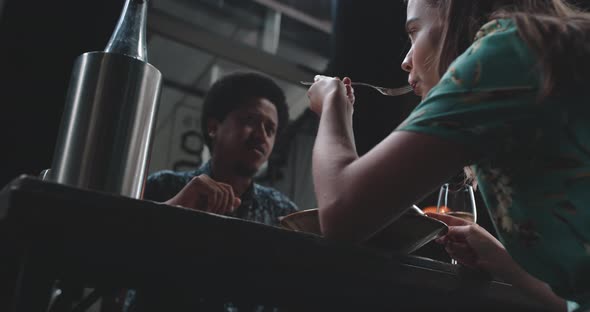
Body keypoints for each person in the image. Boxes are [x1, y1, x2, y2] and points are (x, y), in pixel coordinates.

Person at [307, 0, 590, 311]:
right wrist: (501, 260)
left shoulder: (505, 53)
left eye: (414, 31)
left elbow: (341, 212)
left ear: (456, 12)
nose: (406, 60)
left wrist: (333, 104)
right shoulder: (539, 56)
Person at [126, 71, 298, 312]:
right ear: (213, 127)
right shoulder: (164, 187)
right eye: (250, 120)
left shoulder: (284, 214)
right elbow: (117, 256)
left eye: (270, 129)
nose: (261, 135)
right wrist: (176, 209)